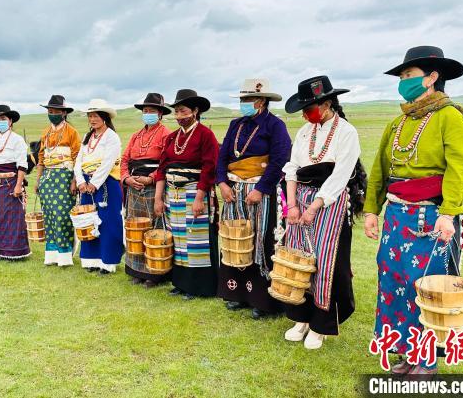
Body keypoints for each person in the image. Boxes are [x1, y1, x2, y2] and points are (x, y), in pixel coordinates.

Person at [364, 46, 463, 377]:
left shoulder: (451, 118)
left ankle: (427, 360)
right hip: (396, 217)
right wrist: (372, 209)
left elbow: (461, 169)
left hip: (432, 216)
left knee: (423, 284)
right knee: (393, 278)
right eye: (401, 77)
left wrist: (449, 212)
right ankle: (408, 352)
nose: (402, 82)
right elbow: (380, 170)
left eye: (408, 76)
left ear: (432, 77)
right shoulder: (398, 123)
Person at [281, 76, 364, 350]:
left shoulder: (346, 132)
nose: (305, 114)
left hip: (330, 203)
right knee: (298, 258)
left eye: (310, 108)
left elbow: (340, 176)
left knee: (327, 261)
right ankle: (301, 317)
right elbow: (292, 168)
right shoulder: (304, 132)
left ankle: (321, 324)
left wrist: (315, 206)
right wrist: (292, 205)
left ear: (327, 104)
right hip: (299, 200)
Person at [216, 79, 291, 319]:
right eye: (241, 100)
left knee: (260, 240)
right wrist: (222, 183)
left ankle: (263, 299)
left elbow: (280, 159)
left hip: (260, 193)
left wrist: (261, 188)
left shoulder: (275, 126)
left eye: (246, 100)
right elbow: (222, 157)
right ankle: (236, 294)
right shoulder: (235, 124)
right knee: (234, 238)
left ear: (260, 101)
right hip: (233, 190)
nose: (242, 104)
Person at [154, 89, 220, 300]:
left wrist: (200, 198)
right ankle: (181, 283)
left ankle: (199, 286)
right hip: (172, 195)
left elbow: (209, 167)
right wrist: (158, 198)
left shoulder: (205, 135)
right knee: (179, 238)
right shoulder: (172, 137)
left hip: (194, 192)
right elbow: (162, 169)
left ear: (195, 111)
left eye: (183, 111)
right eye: (177, 112)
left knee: (195, 238)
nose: (179, 116)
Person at [121, 93, 172, 287]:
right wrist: (127, 178)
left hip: (153, 186)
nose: (147, 113)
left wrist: (151, 179)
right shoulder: (136, 136)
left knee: (154, 227)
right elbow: (125, 159)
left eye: (152, 110)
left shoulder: (166, 134)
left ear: (160, 114)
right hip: (134, 186)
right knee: (136, 228)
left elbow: (166, 162)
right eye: (145, 110)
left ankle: (154, 273)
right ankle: (137, 270)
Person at [74, 99, 124, 274]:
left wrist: (94, 183)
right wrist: (80, 181)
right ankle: (92, 260)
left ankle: (108, 262)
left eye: (95, 115)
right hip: (86, 184)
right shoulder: (88, 138)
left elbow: (108, 163)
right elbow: (78, 161)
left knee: (108, 222)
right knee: (88, 220)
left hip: (106, 184)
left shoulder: (112, 137)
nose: (92, 119)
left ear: (104, 117)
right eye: (90, 116)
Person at [36, 95, 81, 267]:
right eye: (49, 111)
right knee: (49, 215)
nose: (52, 114)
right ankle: (52, 255)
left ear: (63, 113)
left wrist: (75, 181)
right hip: (48, 177)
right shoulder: (45, 132)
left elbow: (77, 157)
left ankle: (65, 254)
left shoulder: (71, 132)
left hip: (65, 176)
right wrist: (38, 180)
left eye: (55, 111)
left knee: (62, 216)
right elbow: (41, 158)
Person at [0, 105, 30, 260]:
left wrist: (18, 185)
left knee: (13, 217)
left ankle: (17, 252)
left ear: (10, 121)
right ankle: (2, 251)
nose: (0, 121)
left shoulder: (17, 140)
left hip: (11, 183)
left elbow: (22, 165)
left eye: (3, 119)